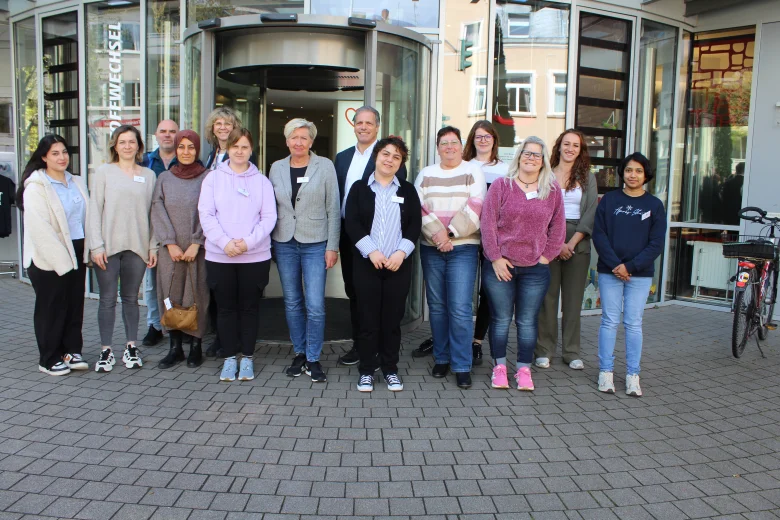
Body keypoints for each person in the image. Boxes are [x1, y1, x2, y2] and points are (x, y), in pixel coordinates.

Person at [481, 136, 565, 392]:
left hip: (535, 269)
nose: (531, 158)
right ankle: (499, 368)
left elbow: (558, 227)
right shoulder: (501, 186)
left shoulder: (551, 190)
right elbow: (487, 223)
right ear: (519, 157)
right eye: (527, 153)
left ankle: (523, 369)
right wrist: (495, 258)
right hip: (501, 266)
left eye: (537, 155)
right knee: (501, 319)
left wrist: (545, 257)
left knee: (527, 322)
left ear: (543, 161)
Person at [199, 128, 276, 382]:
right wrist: (225, 243)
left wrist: (248, 243)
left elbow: (269, 218)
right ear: (228, 149)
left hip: (254, 257)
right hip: (220, 257)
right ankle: (230, 358)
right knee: (226, 309)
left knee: (249, 309)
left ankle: (248, 358)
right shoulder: (213, 179)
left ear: (251, 149)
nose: (240, 151)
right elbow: (206, 215)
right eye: (235, 146)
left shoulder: (262, 182)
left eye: (244, 147)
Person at [345, 136, 421, 392]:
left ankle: (390, 369)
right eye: (386, 154)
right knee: (367, 320)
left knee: (391, 322)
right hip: (367, 264)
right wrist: (372, 251)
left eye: (396, 157)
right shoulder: (359, 188)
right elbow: (352, 223)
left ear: (401, 163)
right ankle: (367, 370)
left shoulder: (407, 190)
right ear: (376, 156)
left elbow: (415, 225)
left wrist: (401, 253)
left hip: (398, 265)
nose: (390, 160)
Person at [334, 106, 407, 367]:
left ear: (377, 126)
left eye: (369, 123)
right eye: (359, 122)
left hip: (381, 237)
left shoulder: (388, 156)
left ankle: (380, 349)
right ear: (353, 125)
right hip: (349, 234)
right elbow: (337, 197)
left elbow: (399, 197)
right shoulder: (342, 158)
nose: (363, 127)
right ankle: (360, 345)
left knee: (382, 295)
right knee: (355, 291)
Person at [415, 126, 486, 389]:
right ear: (437, 148)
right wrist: (438, 237)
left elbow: (477, 205)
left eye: (454, 142)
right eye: (444, 143)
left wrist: (450, 233)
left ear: (461, 145)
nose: (449, 147)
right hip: (431, 248)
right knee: (437, 306)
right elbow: (418, 208)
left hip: (463, 248)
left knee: (460, 308)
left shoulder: (473, 171)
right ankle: (442, 358)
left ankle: (462, 364)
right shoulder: (426, 173)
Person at [270, 118, 340, 383]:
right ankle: (299, 353)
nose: (298, 142)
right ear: (287, 140)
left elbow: (333, 208)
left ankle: (313, 357)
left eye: (303, 137)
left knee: (315, 304)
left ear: (311, 141)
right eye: (294, 137)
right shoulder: (276, 167)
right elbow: (270, 207)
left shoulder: (325, 166)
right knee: (292, 302)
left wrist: (332, 246)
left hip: (316, 243)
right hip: (284, 241)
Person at [592, 152, 666, 397]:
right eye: (628, 170)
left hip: (640, 274)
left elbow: (656, 243)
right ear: (622, 173)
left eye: (638, 171)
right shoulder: (609, 200)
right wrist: (617, 265)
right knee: (609, 321)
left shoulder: (654, 205)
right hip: (610, 271)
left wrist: (630, 267)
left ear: (646, 175)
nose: (633, 175)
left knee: (633, 323)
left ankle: (633, 375)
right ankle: (605, 372)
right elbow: (599, 235)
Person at [88, 125, 158, 372]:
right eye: (122, 142)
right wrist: (96, 245)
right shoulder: (104, 173)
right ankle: (106, 350)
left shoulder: (149, 176)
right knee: (107, 299)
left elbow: (153, 215)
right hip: (107, 247)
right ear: (115, 146)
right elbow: (94, 210)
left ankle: (131, 347)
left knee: (130, 299)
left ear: (139, 146)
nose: (127, 146)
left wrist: (153, 247)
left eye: (132, 142)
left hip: (137, 247)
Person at [17, 135, 89, 375]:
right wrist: (63, 262)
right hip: (48, 255)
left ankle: (71, 351)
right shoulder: (36, 186)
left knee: (74, 304)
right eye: (55, 153)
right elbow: (41, 229)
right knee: (52, 307)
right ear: (44, 157)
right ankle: (48, 358)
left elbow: (87, 217)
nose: (62, 157)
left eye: (64, 152)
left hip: (77, 249)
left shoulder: (76, 181)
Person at [535, 129, 597, 371]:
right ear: (559, 146)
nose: (571, 149)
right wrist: (556, 242)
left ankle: (571, 352)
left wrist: (570, 243)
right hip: (548, 239)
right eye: (567, 144)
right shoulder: (545, 174)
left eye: (576, 145)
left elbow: (591, 212)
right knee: (547, 299)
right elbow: (538, 210)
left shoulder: (587, 177)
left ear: (580, 150)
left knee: (573, 300)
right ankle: (544, 350)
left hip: (577, 242)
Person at [152, 130, 210, 370]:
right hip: (171, 251)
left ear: (197, 150)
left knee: (197, 295)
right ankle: (174, 348)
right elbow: (157, 208)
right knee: (170, 295)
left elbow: (211, 210)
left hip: (198, 249)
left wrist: (197, 241)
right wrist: (169, 242)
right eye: (181, 147)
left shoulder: (208, 177)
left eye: (191, 147)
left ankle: (196, 347)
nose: (186, 152)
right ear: (175, 149)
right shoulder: (164, 178)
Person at [202, 107, 256, 359]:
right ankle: (221, 339)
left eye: (228, 123)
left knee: (239, 301)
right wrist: (222, 240)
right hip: (216, 239)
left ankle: (229, 341)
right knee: (219, 296)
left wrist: (240, 241)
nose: (223, 127)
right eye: (218, 123)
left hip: (241, 243)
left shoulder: (245, 161)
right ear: (212, 128)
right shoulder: (211, 156)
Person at [141, 119, 179, 348]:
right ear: (155, 134)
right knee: (152, 283)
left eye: (172, 131)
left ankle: (178, 324)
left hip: (178, 232)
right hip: (152, 231)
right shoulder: (144, 161)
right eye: (163, 131)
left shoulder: (185, 160)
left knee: (176, 283)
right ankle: (154, 326)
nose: (167, 135)